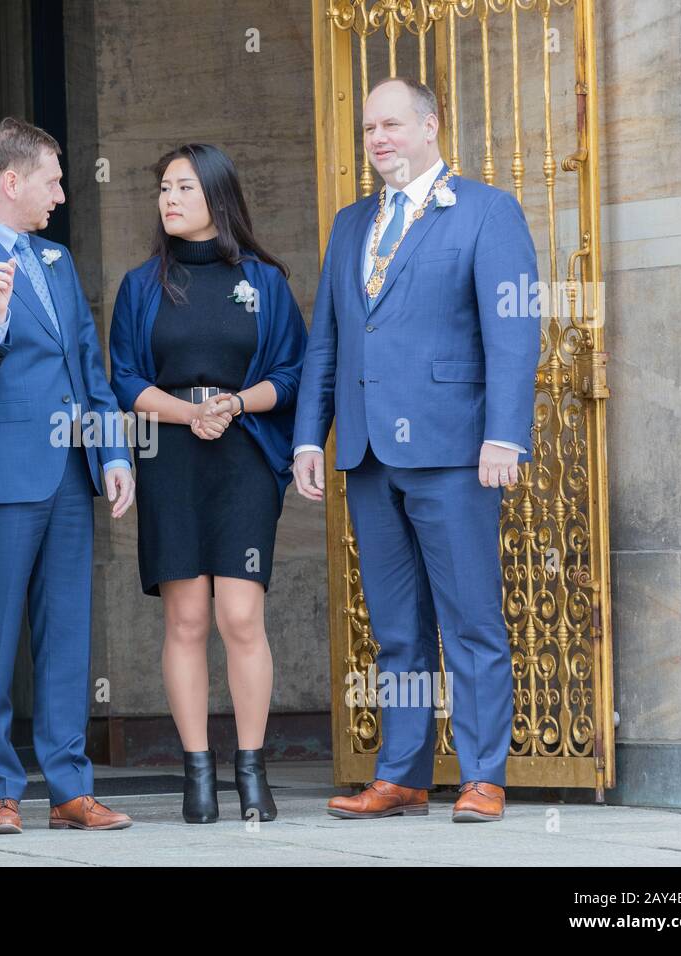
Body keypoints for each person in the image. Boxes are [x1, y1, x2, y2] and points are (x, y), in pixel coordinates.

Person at [292, 76, 540, 823]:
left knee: (469, 619)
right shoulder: (349, 224)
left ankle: (483, 774)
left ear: (431, 126)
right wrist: (311, 433)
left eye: (391, 125)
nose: (378, 140)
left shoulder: (487, 211)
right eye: (369, 129)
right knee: (396, 626)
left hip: (455, 451)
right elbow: (327, 343)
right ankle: (400, 772)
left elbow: (513, 332)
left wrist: (505, 434)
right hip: (368, 455)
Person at [0, 117, 136, 834]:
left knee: (67, 634)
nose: (61, 193)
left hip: (72, 476)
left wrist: (111, 453)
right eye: (51, 179)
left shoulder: (58, 261)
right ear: (10, 182)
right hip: (1, 478)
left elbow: (88, 366)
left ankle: (71, 789)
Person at [108, 143, 306, 824]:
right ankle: (197, 776)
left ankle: (251, 770)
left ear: (217, 197)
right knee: (186, 618)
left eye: (184, 188)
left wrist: (233, 406)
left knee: (240, 615)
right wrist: (189, 412)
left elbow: (291, 374)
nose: (168, 199)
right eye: (163, 188)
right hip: (171, 453)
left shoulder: (264, 281)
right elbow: (126, 379)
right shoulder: (141, 285)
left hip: (243, 452)